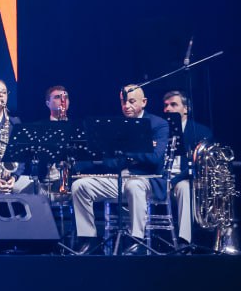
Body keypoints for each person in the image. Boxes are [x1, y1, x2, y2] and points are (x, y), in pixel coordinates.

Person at [70, 85, 169, 255]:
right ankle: (89, 239)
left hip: (147, 179)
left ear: (144, 102)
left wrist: (126, 150)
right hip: (119, 178)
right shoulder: (117, 125)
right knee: (80, 186)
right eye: (123, 102)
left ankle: (136, 240)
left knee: (134, 186)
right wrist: (138, 150)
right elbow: (111, 162)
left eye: (132, 101)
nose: (126, 106)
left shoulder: (158, 124)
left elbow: (155, 158)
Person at [163, 90, 211, 245]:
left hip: (184, 178)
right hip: (162, 178)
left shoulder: (201, 131)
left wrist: (173, 181)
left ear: (186, 109)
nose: (168, 109)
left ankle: (184, 241)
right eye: (166, 105)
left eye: (173, 104)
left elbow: (197, 164)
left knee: (184, 187)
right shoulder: (160, 130)